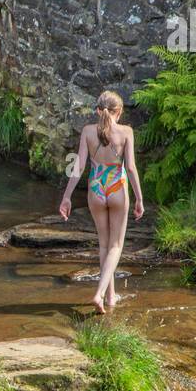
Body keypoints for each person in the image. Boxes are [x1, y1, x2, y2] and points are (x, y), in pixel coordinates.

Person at [58, 91, 145, 314]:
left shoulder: (87, 131)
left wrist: (67, 196)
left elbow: (78, 167)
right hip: (117, 188)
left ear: (98, 111)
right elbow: (132, 168)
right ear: (120, 111)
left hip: (96, 188)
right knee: (116, 246)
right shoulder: (126, 132)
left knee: (104, 245)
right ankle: (99, 294)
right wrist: (139, 198)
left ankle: (110, 298)